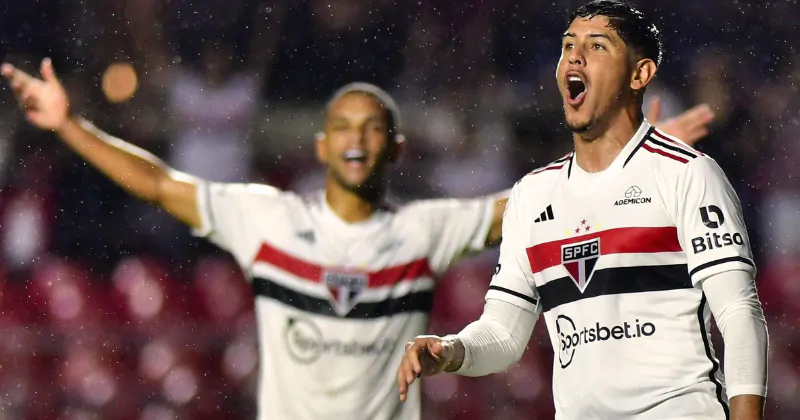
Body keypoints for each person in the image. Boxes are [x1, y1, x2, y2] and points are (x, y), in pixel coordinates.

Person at [3, 54, 712, 418]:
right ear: (319, 146)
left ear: (395, 149)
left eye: (372, 129)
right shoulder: (269, 219)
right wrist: (69, 125)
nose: (356, 140)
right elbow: (159, 183)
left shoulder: (423, 229)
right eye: (342, 127)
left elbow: (534, 201)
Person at [397, 1, 769, 420]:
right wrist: (451, 350)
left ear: (639, 74)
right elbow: (503, 333)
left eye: (596, 46)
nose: (574, 55)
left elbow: (738, 312)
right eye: (567, 45)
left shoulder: (687, 174)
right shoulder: (532, 195)